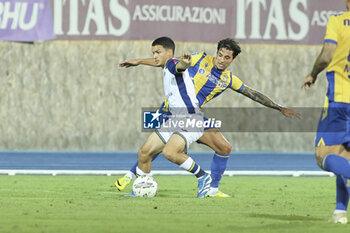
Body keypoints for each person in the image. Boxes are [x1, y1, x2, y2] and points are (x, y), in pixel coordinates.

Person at [117, 38, 300, 197]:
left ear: (233, 59)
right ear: (216, 52)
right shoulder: (200, 58)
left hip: (193, 115)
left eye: (227, 57)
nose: (221, 59)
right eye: (220, 54)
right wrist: (140, 61)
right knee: (158, 149)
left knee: (224, 147)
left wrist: (279, 107)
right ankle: (132, 175)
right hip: (173, 111)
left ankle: (211, 189)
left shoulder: (228, 79)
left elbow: (252, 93)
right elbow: (169, 62)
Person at [129, 36, 212, 198]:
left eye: (158, 52)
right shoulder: (165, 65)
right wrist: (138, 61)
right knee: (144, 153)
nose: (155, 56)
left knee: (170, 152)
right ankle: (142, 188)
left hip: (190, 118)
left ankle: (203, 177)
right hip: (174, 120)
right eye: (153, 52)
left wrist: (185, 64)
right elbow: (157, 62)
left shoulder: (173, 63)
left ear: (170, 52)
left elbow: (179, 66)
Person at [302, 0, 350, 224]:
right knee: (345, 155)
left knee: (323, 155)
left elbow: (327, 54)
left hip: (341, 100)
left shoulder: (338, 21)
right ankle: (340, 212)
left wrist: (313, 73)